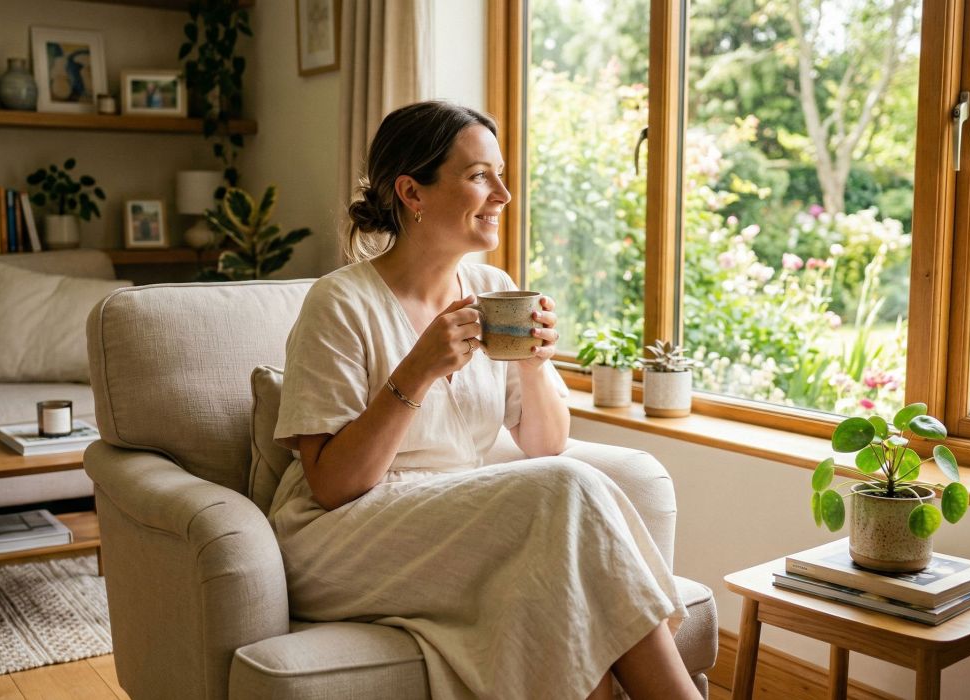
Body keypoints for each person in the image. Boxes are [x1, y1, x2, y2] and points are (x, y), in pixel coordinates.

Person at [268, 100, 698, 699]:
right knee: (567, 486)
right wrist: (414, 373)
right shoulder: (339, 304)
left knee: (563, 587)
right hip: (340, 537)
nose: (503, 193)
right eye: (478, 176)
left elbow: (545, 444)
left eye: (500, 174)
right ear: (412, 193)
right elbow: (333, 486)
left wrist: (535, 361)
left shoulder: (494, 292)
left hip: (455, 516)